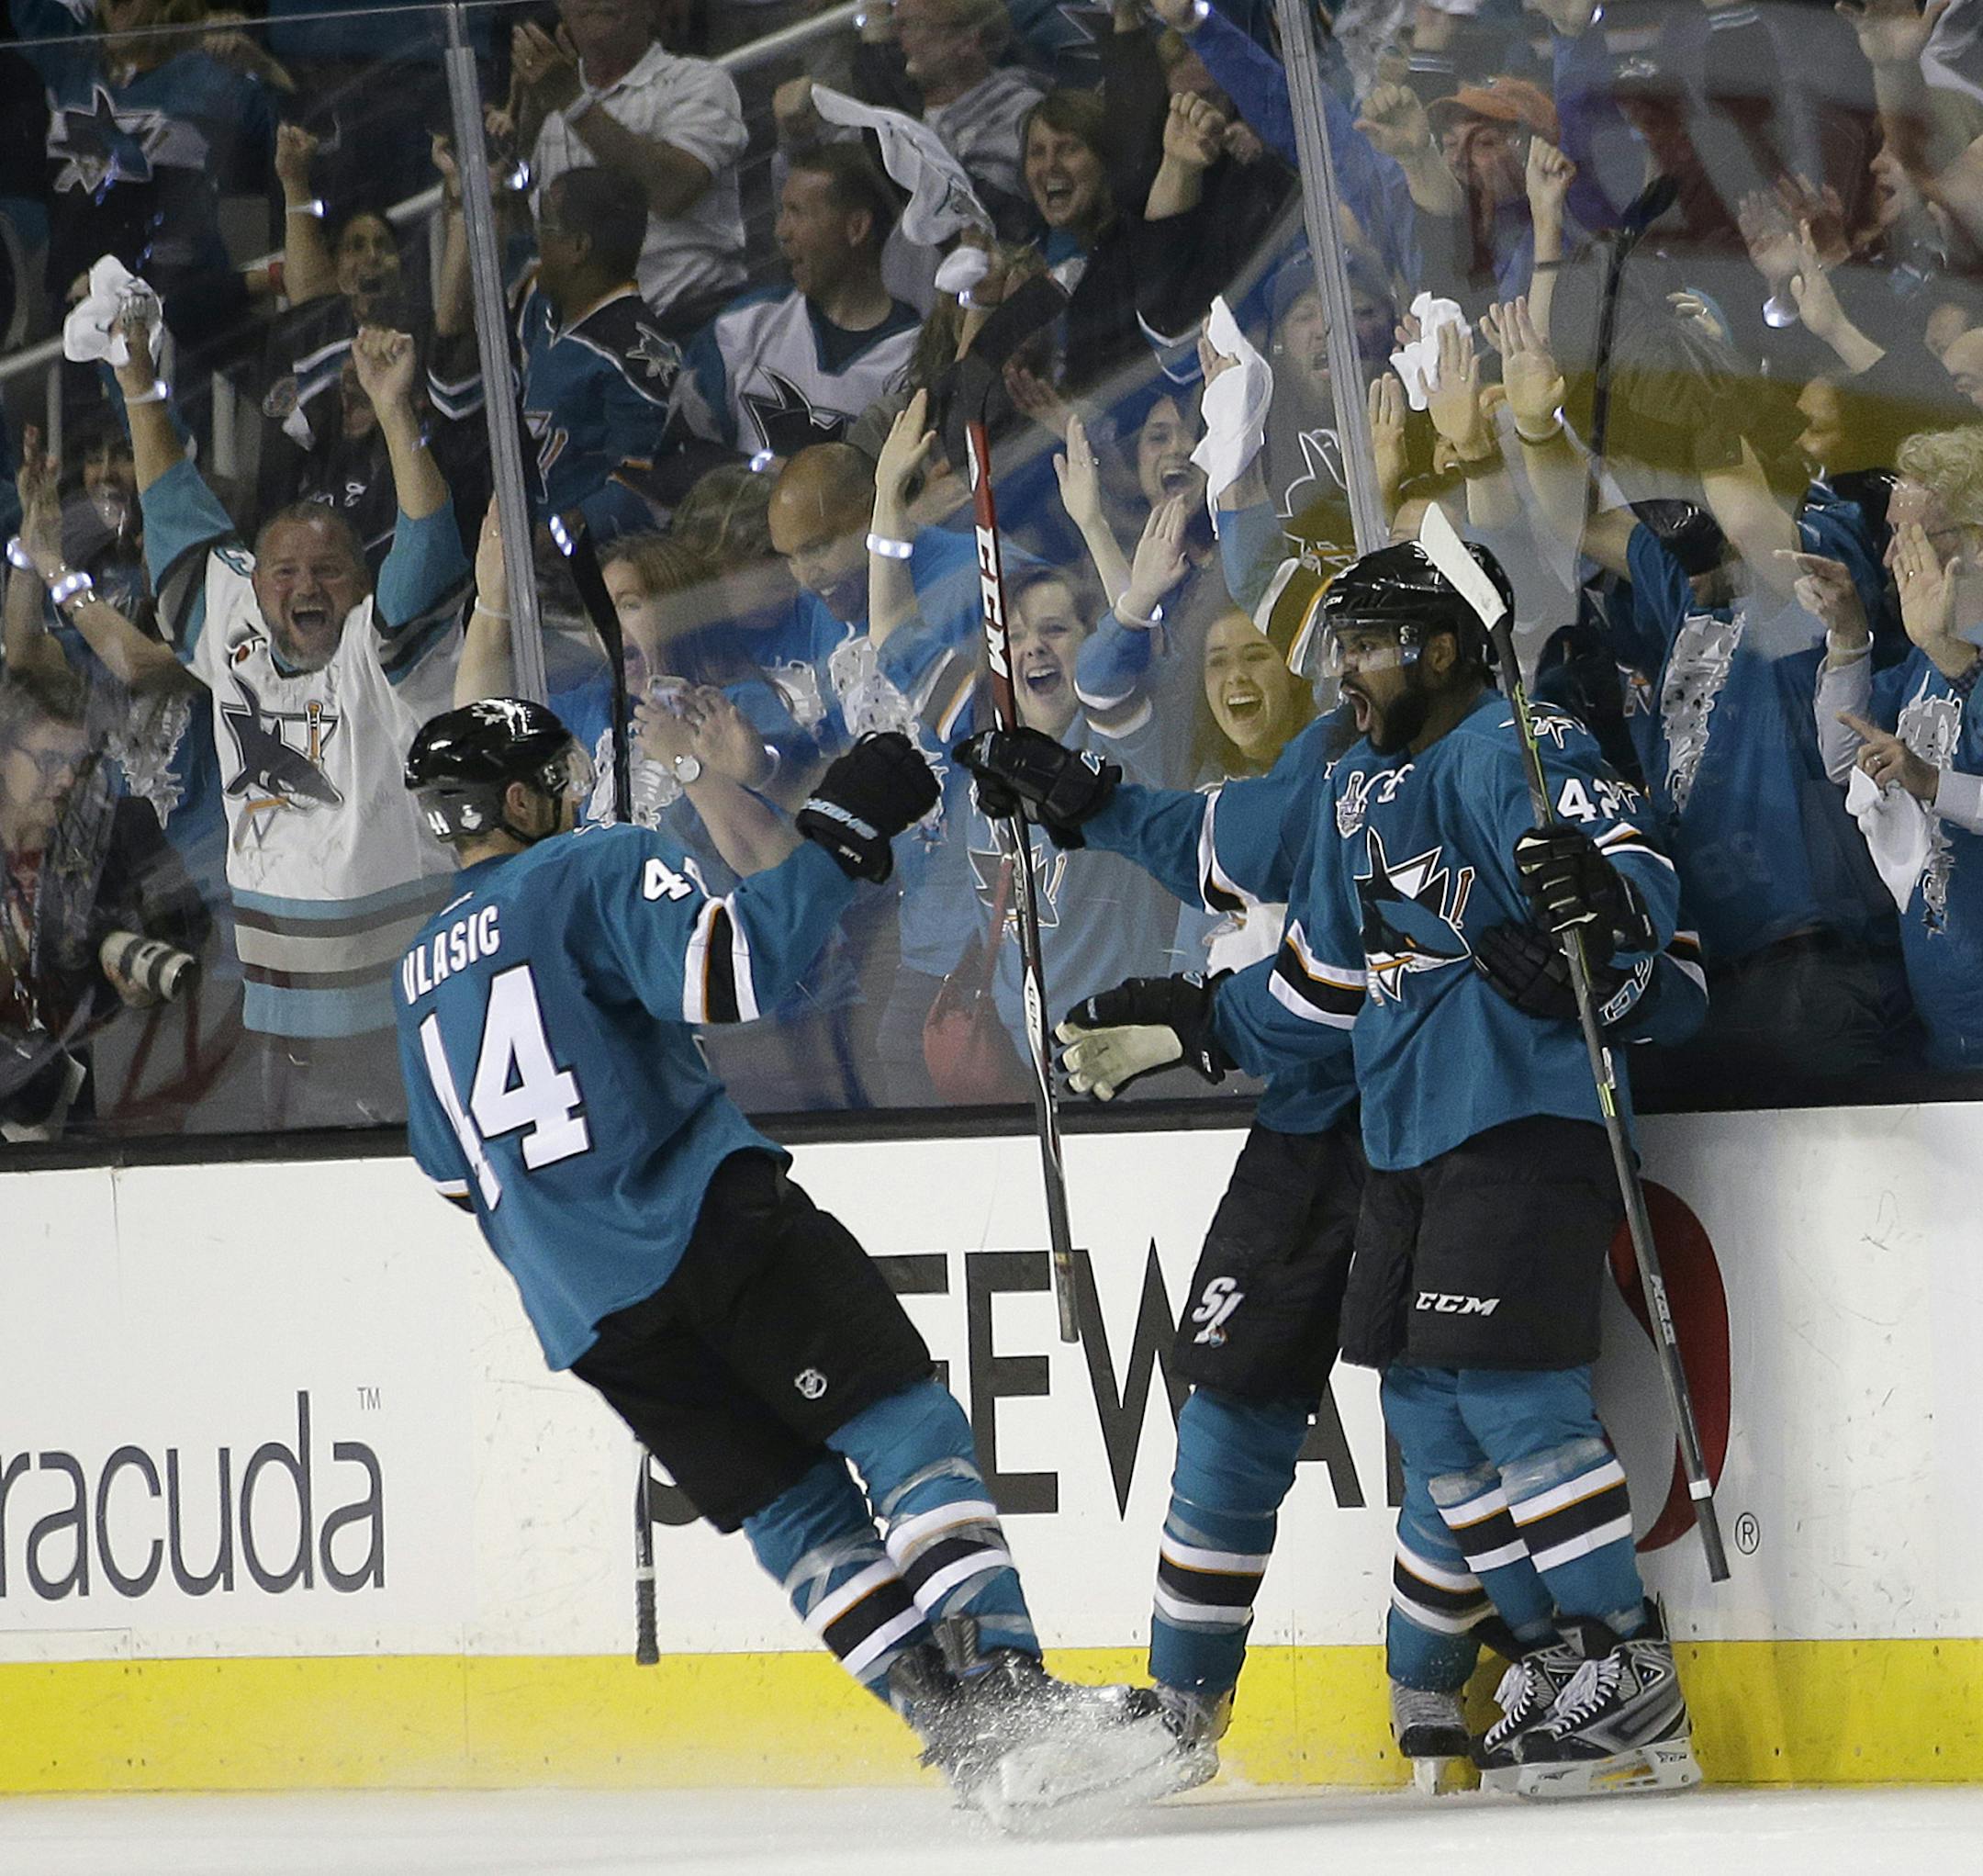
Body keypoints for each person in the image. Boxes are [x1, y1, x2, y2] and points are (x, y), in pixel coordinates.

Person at [958, 551, 1707, 1789]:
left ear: (1447, 647)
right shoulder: (1351, 771)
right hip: (1395, 1117)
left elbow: (1622, 860)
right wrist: (1103, 826)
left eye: (1362, 642)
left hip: (1507, 1108)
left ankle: (1603, 1658)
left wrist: (1607, 905)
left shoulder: (1511, 743)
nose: (1337, 668)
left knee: (1504, 1388)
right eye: (1337, 642)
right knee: (1417, 1397)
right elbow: (1309, 945)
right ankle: (1530, 1654)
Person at [392, 697, 1179, 1825]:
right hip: (709, 1222)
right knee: (901, 1424)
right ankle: (1009, 1696)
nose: (572, 791)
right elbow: (731, 974)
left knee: (793, 1511)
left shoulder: (416, 975)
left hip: (587, 1311)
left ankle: (955, 1736)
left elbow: (454, 1176)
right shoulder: (591, 864)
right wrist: (837, 839)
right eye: (553, 777)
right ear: (519, 800)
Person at [113, 309, 468, 1128]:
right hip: (278, 1016)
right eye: (285, 571)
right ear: (258, 581)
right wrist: (138, 386)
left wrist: (393, 411)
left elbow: (426, 535)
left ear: (359, 582)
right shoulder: (237, 630)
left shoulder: (384, 655)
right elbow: (177, 510)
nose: (305, 586)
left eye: (329, 571)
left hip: (404, 1004)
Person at [0, 673, 208, 1142]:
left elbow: (187, 925)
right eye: (51, 760)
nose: (70, 778)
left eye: (80, 761)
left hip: (101, 1109)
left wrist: (138, 971)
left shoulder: (122, 827)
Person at [511, 0, 748, 333]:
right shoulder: (547, 101)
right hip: (583, 339)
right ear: (561, 8)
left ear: (652, 7)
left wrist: (573, 103)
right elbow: (533, 229)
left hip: (691, 328)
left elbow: (672, 190)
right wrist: (512, 145)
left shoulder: (698, 81)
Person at [678, 145, 922, 460]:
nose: (781, 232)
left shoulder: (914, 357)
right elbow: (680, 455)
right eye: (782, 212)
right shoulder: (741, 328)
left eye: (797, 212)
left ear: (857, 227)